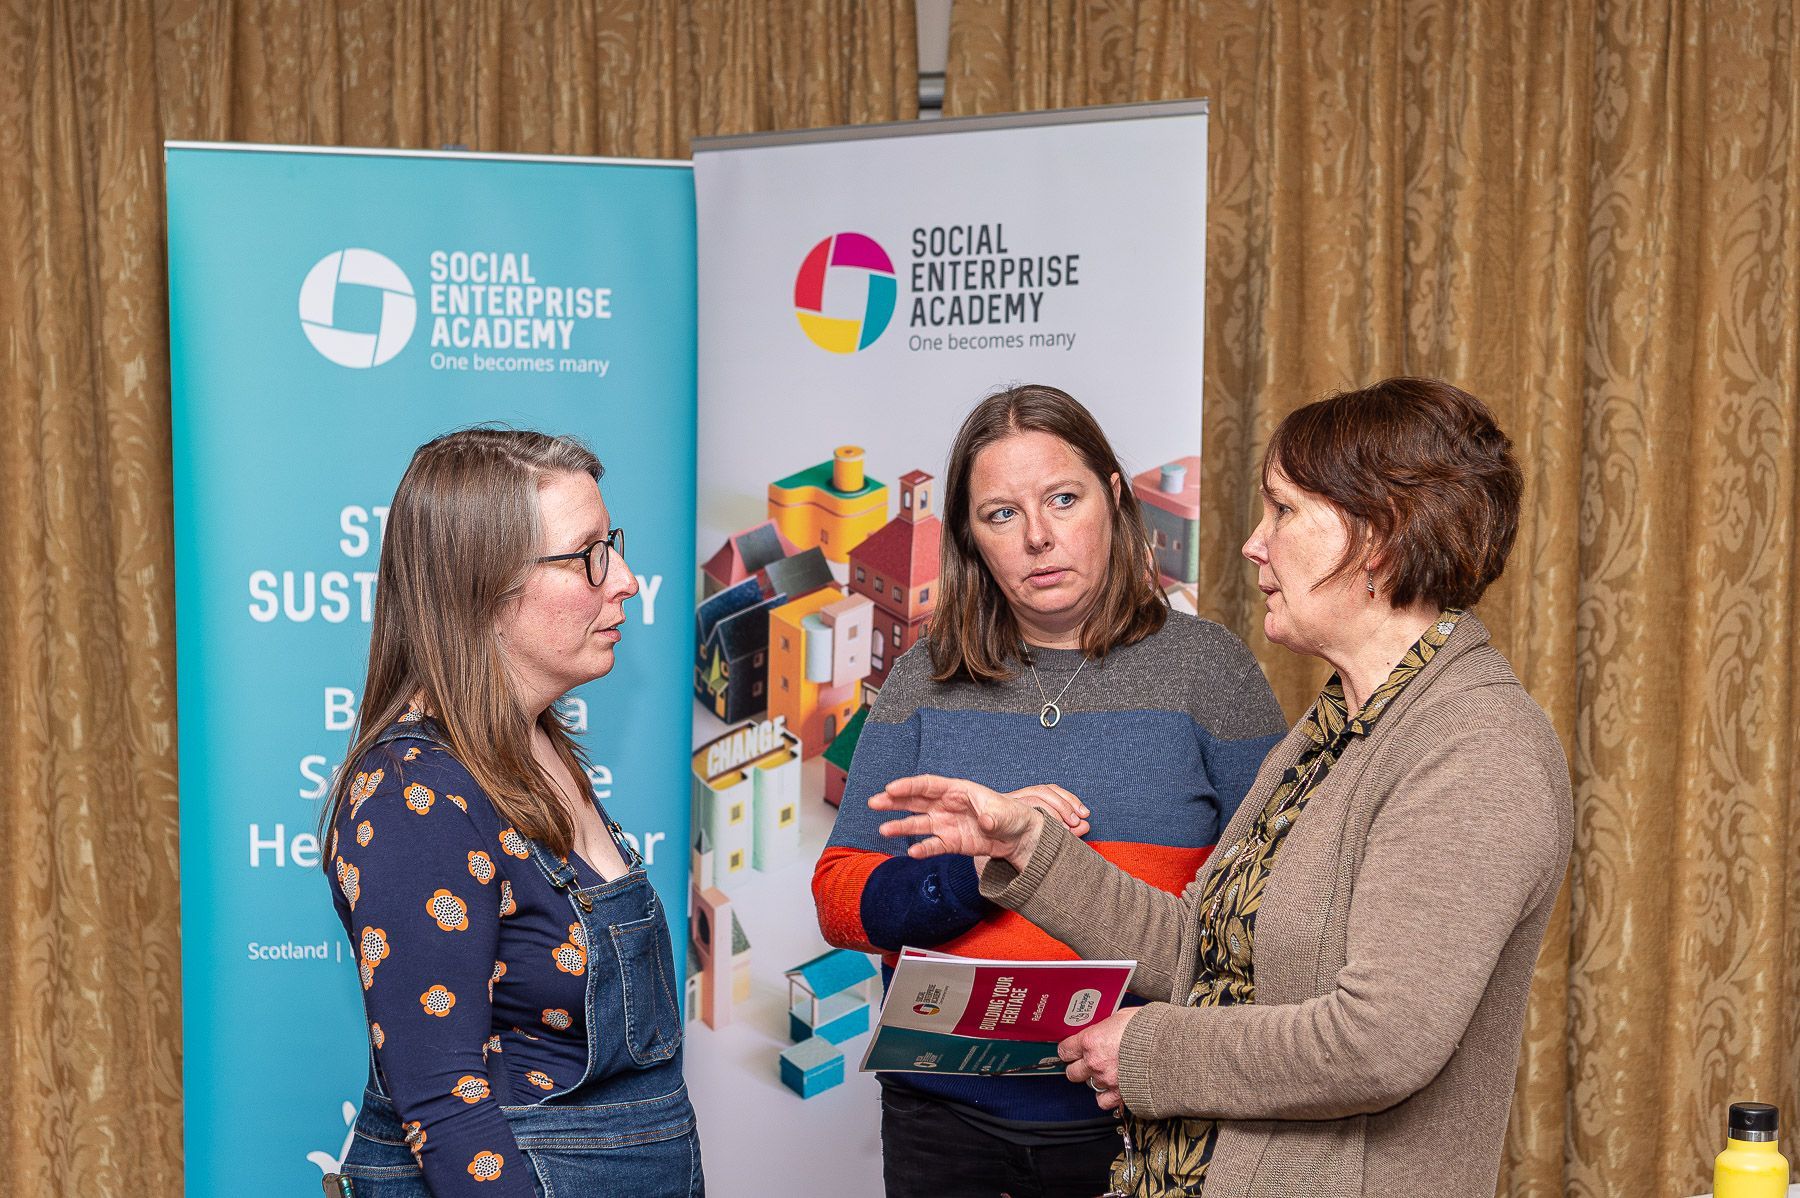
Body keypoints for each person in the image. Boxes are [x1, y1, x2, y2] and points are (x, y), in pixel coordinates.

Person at [871, 377, 1574, 1198]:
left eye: (1283, 511)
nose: (1252, 543)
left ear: (1379, 537)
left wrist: (1147, 1054)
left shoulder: (1475, 747)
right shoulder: (1331, 731)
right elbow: (1197, 952)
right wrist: (1028, 849)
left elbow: (1379, 1044)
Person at [814, 385, 1286, 1198]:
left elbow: (1277, 906)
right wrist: (979, 865)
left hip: (1141, 1119)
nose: (1038, 537)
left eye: (1062, 500)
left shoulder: (1212, 669)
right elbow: (838, 900)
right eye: (1000, 515)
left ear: (1112, 497)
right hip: (941, 1124)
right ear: (969, 536)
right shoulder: (922, 679)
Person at [321, 428, 701, 1197]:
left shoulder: (539, 746)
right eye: (587, 554)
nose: (624, 579)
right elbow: (445, 1106)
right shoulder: (412, 796)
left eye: (614, 545)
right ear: (483, 588)